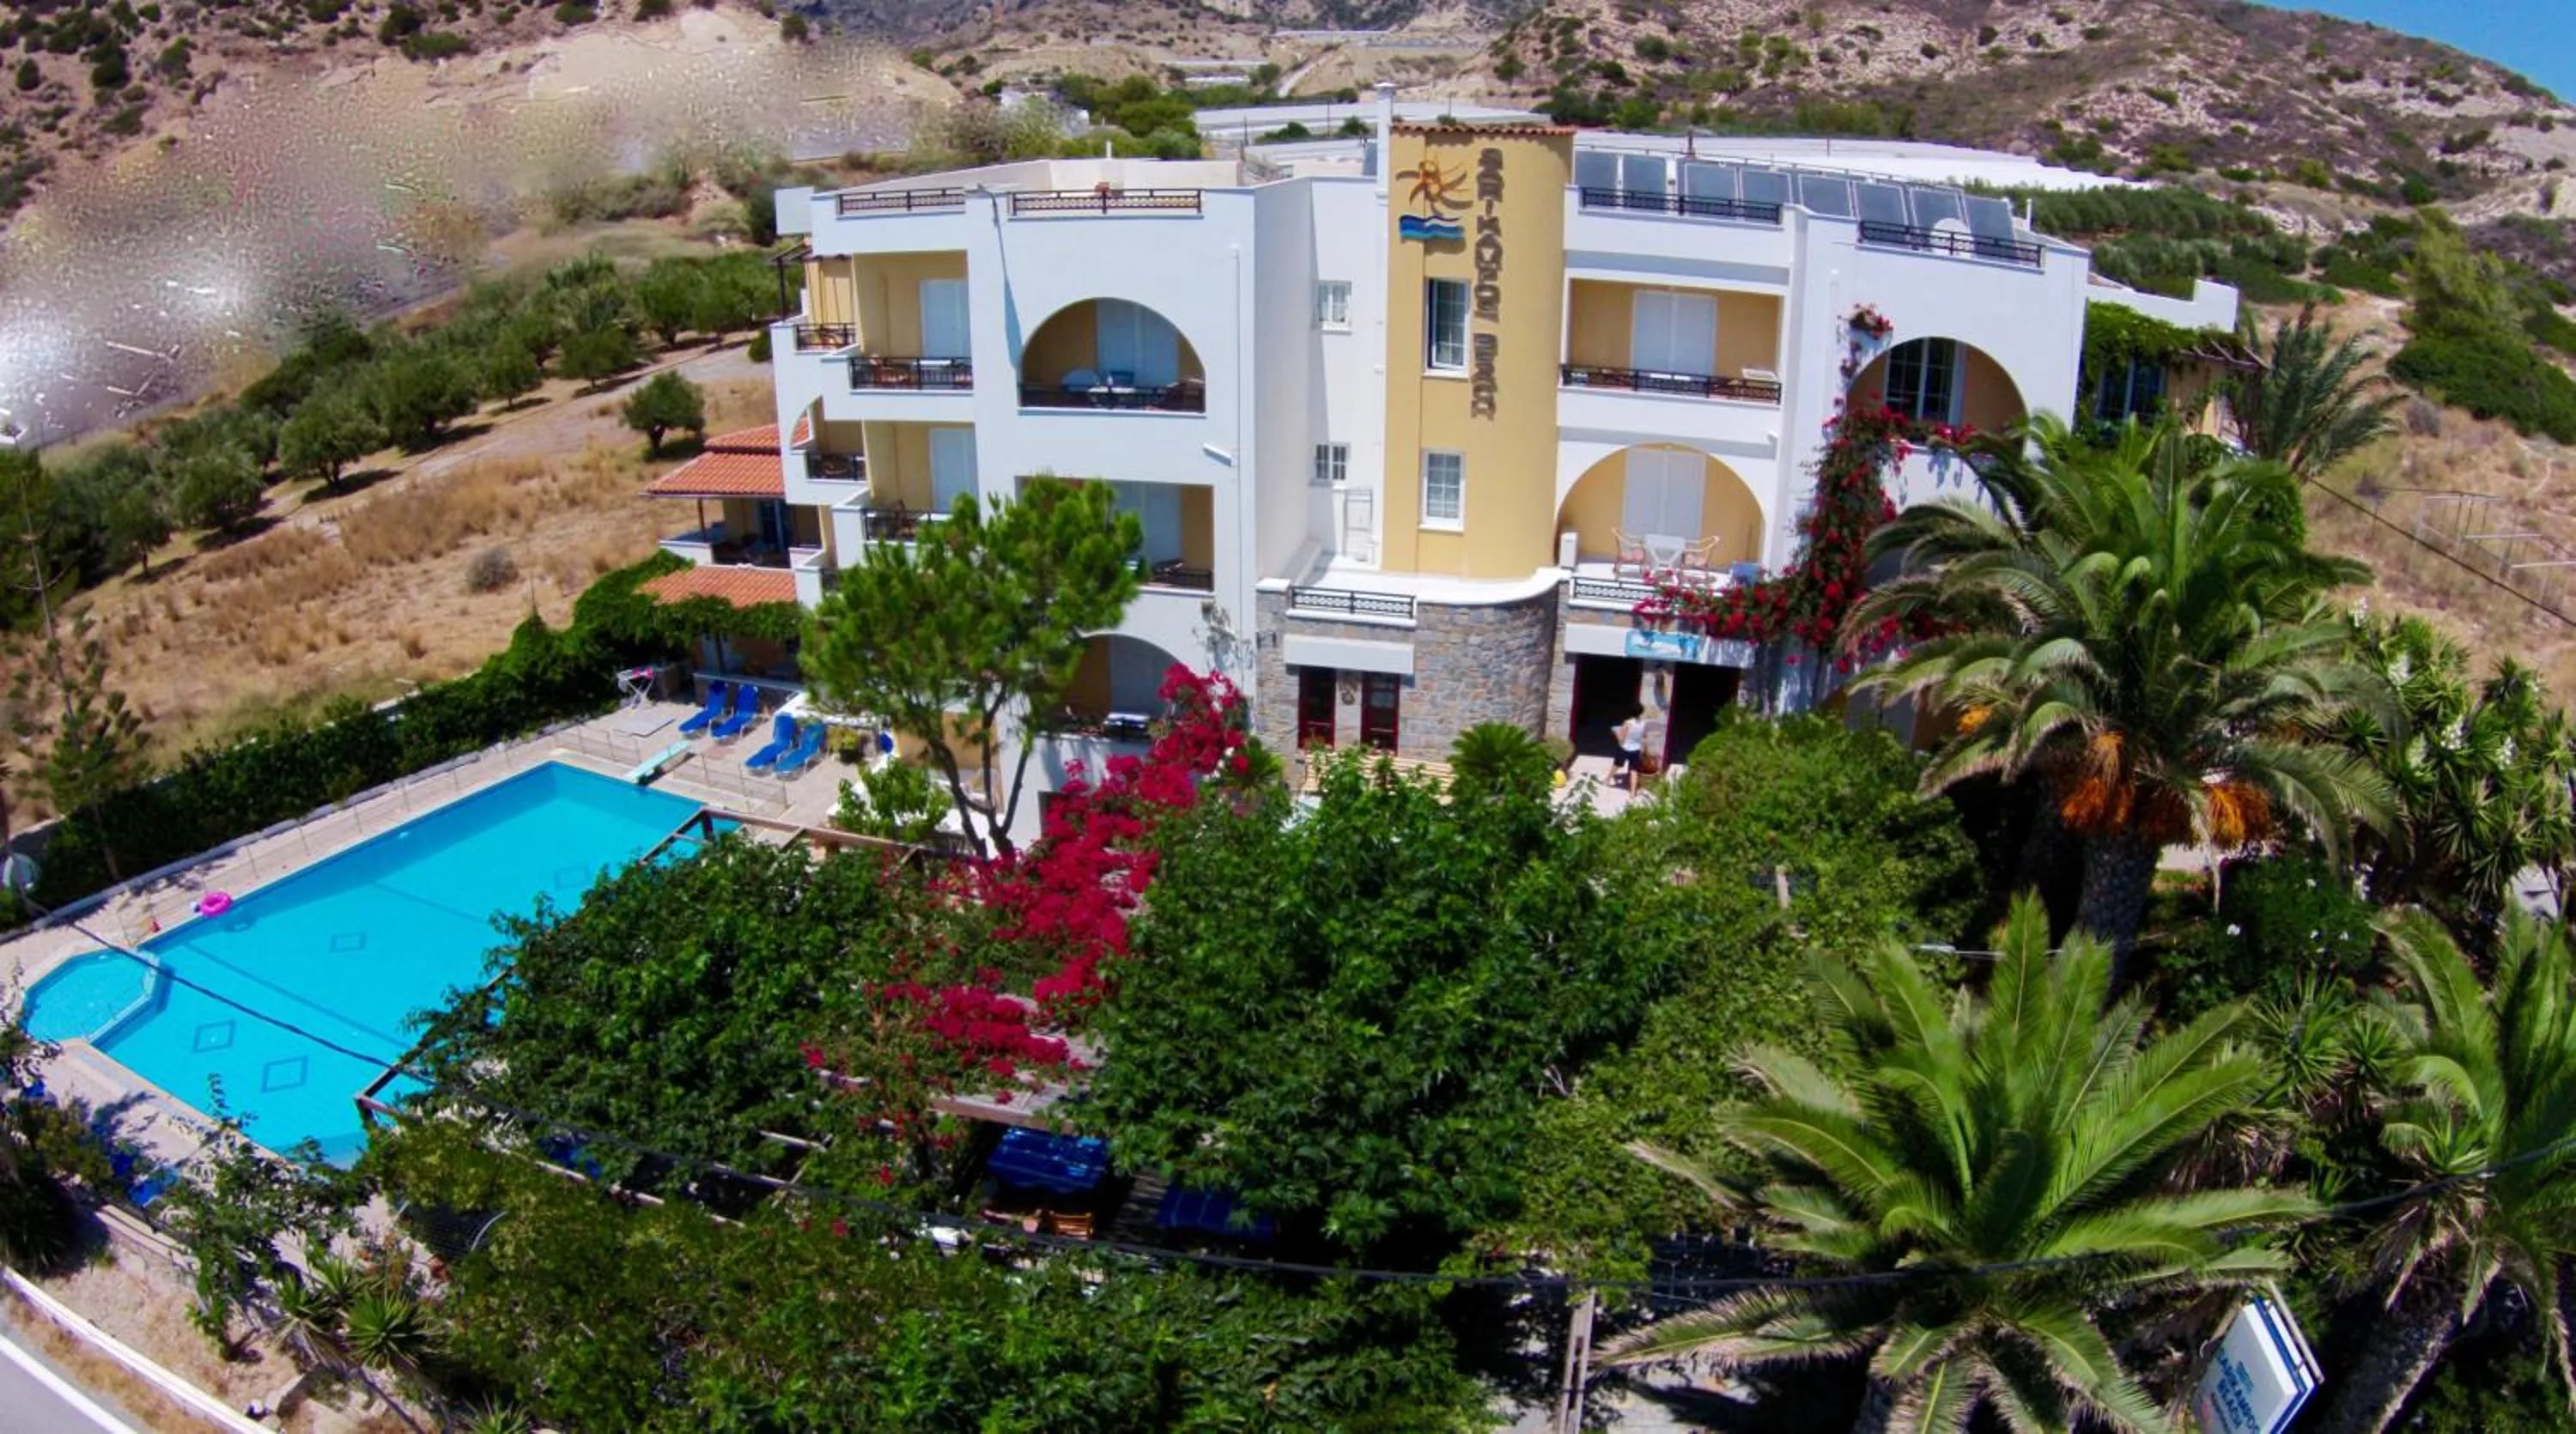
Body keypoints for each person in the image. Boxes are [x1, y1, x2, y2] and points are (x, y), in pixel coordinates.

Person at [1613, 709, 1646, 791]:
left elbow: (1621, 739)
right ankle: (1632, 793)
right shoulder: (1644, 724)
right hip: (1636, 749)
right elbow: (1644, 738)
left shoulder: (1627, 723)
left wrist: (1615, 732)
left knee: (1617, 764)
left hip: (1625, 748)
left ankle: (1607, 781)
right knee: (1634, 771)